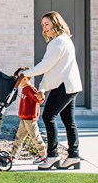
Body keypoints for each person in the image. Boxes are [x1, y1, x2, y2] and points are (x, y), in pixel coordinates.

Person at [20, 11, 82, 170]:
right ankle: (73, 157)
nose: (45, 28)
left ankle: (53, 156)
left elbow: (45, 65)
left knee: (48, 116)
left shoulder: (58, 42)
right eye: (43, 25)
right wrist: (42, 88)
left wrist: (25, 74)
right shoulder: (64, 41)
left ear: (55, 23)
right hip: (70, 85)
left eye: (47, 24)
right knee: (69, 122)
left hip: (64, 86)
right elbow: (53, 69)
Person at [11, 74, 45, 161]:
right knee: (19, 137)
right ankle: (13, 156)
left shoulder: (30, 89)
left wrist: (41, 97)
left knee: (36, 137)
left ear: (25, 79)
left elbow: (38, 99)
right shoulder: (24, 89)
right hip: (24, 119)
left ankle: (43, 155)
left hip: (30, 119)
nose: (18, 81)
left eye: (20, 79)